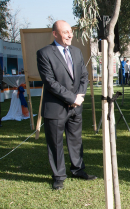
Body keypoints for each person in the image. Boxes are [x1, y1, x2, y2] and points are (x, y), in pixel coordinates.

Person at [36, 20, 96, 190]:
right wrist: (72, 98)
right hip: (55, 108)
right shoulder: (44, 53)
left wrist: (80, 95)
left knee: (76, 140)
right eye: (65, 32)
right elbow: (50, 82)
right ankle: (58, 175)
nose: (70, 35)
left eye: (71, 31)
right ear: (55, 34)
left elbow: (84, 76)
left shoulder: (77, 52)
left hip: (76, 106)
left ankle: (78, 169)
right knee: (55, 143)